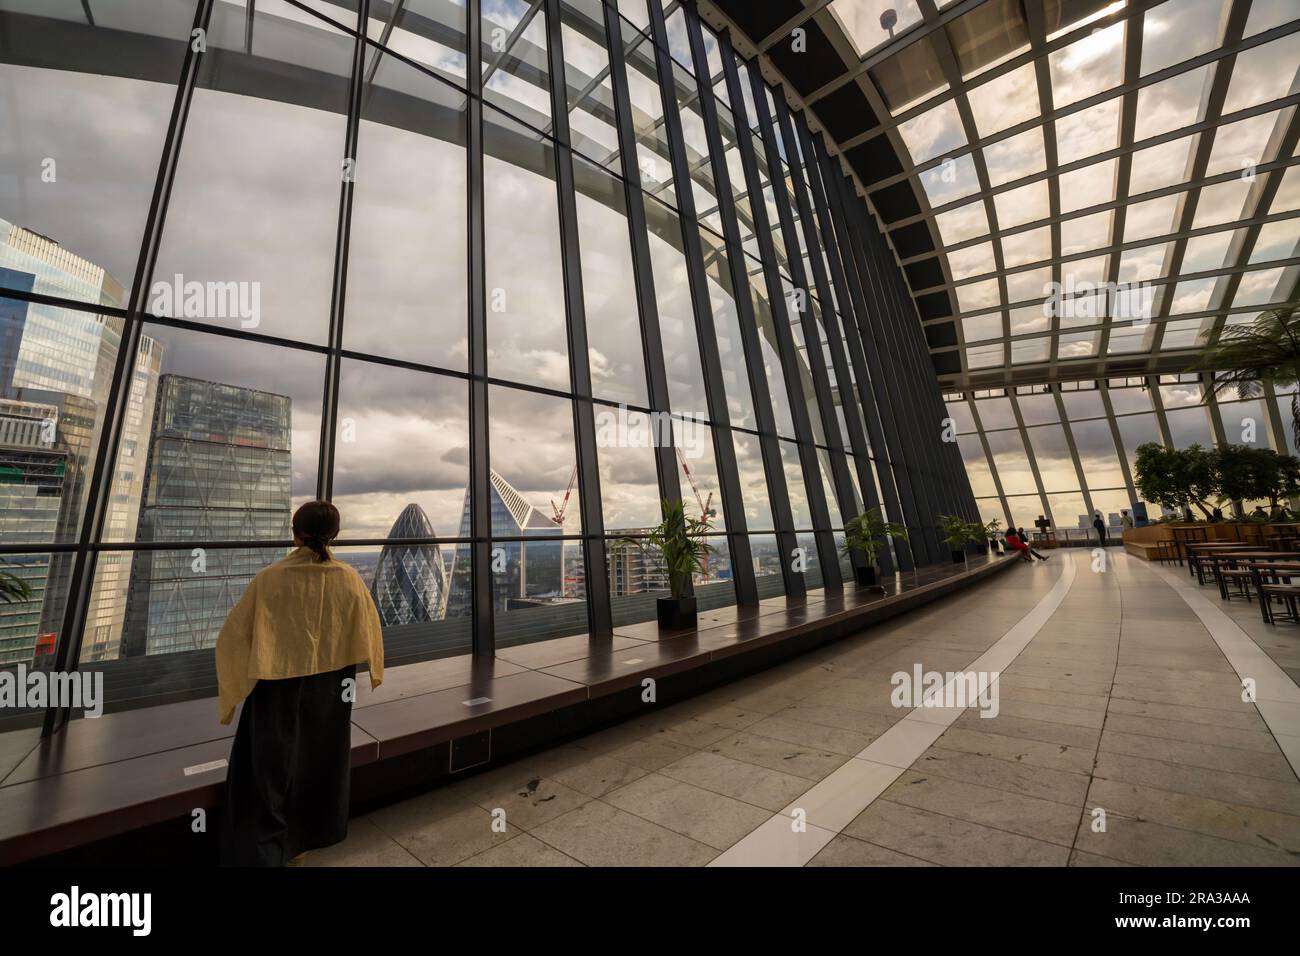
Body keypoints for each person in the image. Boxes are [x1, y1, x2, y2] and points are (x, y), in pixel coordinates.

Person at [217, 500, 385, 867]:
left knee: (268, 769)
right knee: (318, 762)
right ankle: (303, 844)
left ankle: (264, 851)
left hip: (277, 687)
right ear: (336, 535)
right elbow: (369, 628)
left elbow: (234, 638)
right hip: (332, 690)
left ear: (295, 532)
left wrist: (232, 695)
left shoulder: (271, 579)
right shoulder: (349, 578)